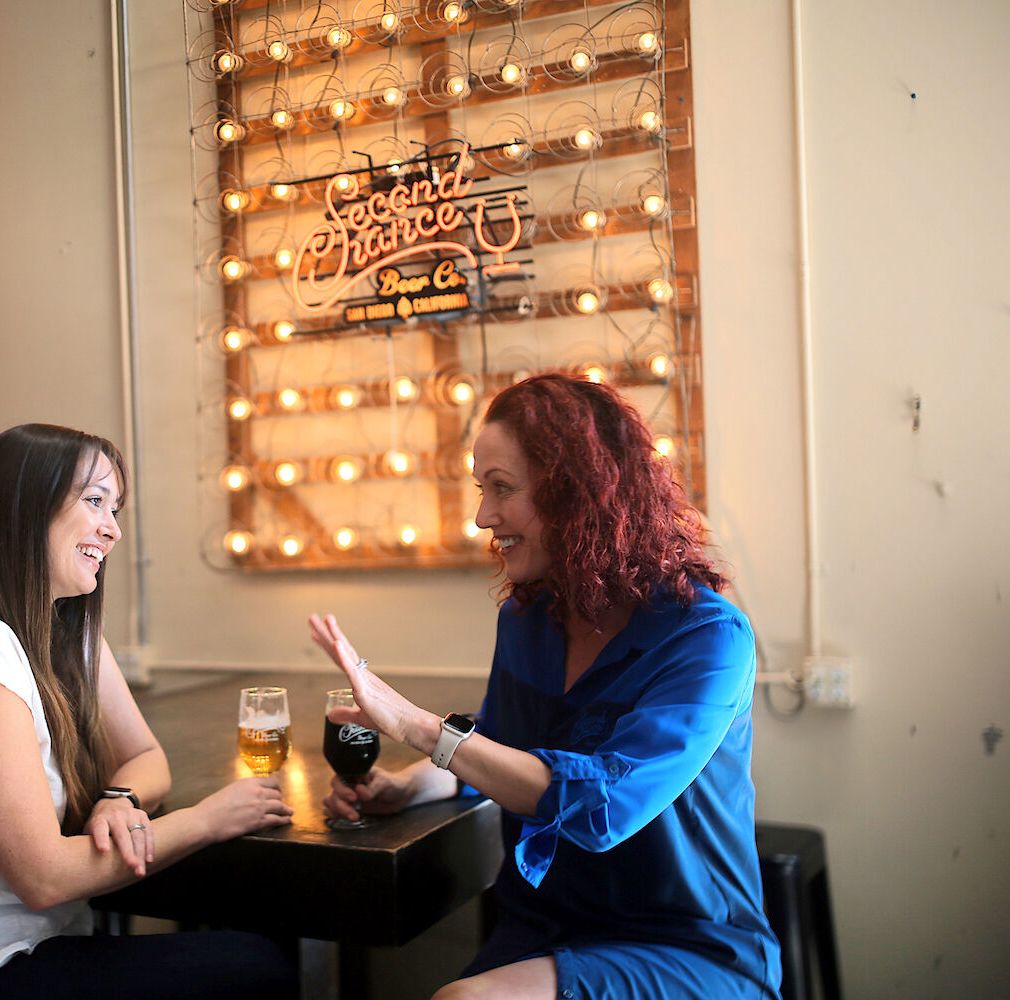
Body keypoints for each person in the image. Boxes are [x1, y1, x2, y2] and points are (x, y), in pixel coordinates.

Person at [308, 374, 782, 1000]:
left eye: (502, 489)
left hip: (685, 942)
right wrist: (409, 787)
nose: (482, 516)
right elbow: (495, 748)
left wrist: (416, 727)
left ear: (575, 494)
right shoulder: (528, 619)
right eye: (483, 490)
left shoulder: (708, 637)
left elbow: (608, 804)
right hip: (549, 925)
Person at [0, 423, 296, 1000]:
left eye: (114, 508)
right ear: (24, 508)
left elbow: (144, 756)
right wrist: (210, 819)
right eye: (95, 501)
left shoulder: (60, 624)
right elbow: (43, 877)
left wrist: (122, 801)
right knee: (254, 966)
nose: (112, 530)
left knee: (248, 958)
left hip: (18, 947)